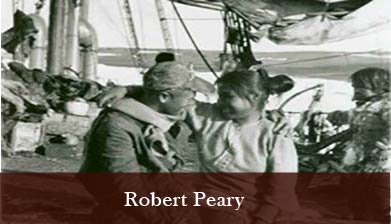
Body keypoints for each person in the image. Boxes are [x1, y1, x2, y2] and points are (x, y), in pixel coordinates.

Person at [78, 61, 214, 223]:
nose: (193, 100)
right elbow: (128, 189)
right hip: (127, 205)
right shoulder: (116, 126)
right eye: (190, 93)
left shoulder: (166, 115)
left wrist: (128, 89)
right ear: (164, 97)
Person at [187, 68, 299, 224]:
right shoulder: (208, 117)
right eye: (220, 96)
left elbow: (281, 189)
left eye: (228, 97)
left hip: (248, 209)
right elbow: (170, 97)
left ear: (254, 96)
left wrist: (263, 219)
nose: (220, 102)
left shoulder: (275, 136)